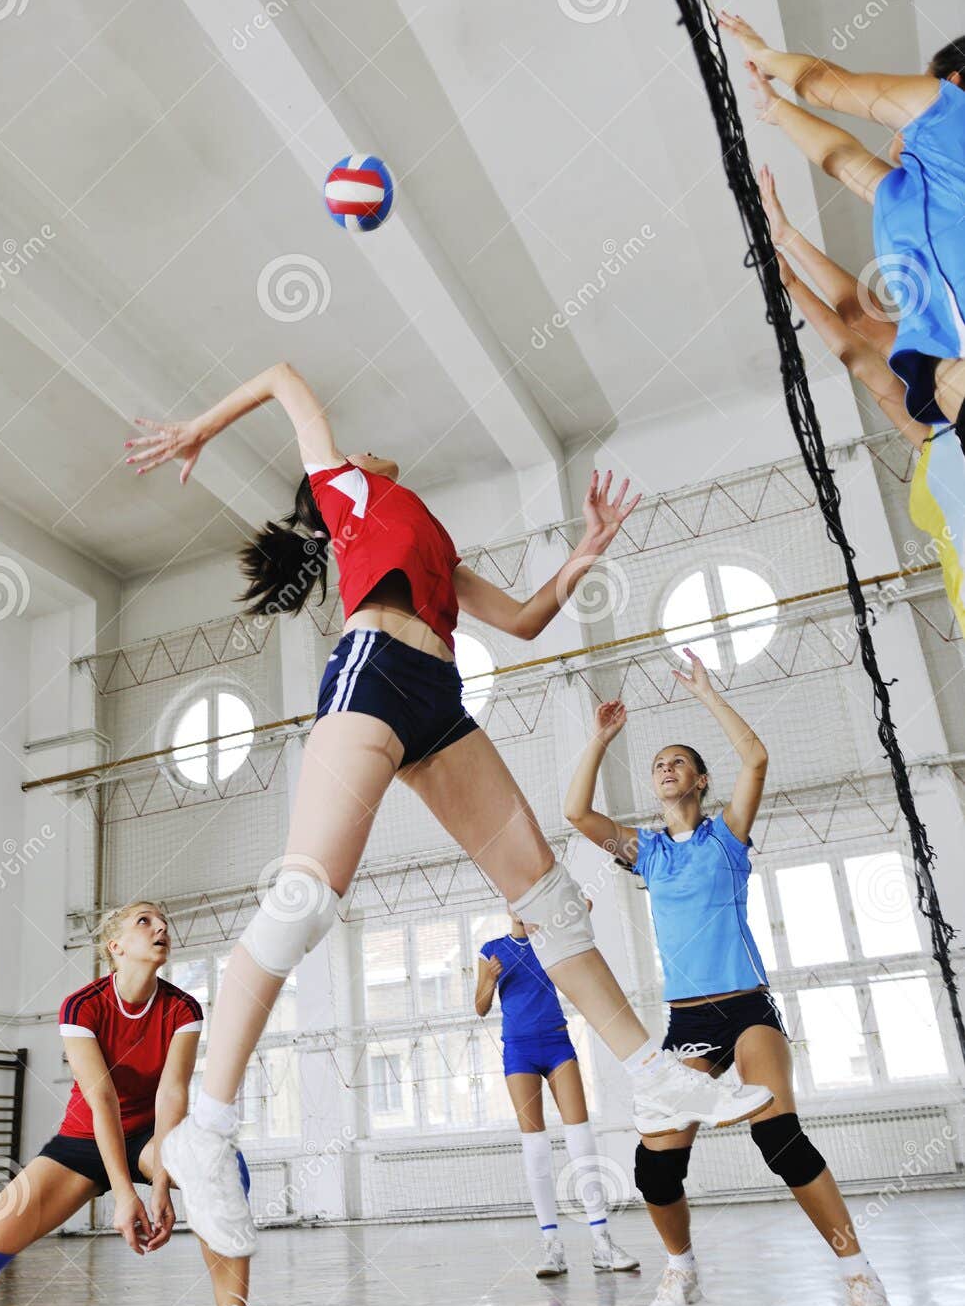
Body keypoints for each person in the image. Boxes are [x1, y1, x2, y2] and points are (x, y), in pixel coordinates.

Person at [123, 361, 774, 1256]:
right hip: (371, 675)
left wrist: (583, 553)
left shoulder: (430, 535)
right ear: (338, 477)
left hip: (438, 696)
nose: (370, 447)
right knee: (307, 897)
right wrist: (200, 426)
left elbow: (525, 619)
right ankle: (207, 1129)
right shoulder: (345, 488)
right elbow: (282, 376)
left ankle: (650, 1076)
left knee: (545, 896)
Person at [564, 658, 893, 1306]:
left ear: (700, 780)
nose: (665, 766)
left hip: (747, 1008)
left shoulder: (726, 838)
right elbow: (575, 813)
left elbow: (756, 757)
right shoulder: (648, 853)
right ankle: (681, 1268)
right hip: (688, 1022)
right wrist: (599, 739)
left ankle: (859, 1277)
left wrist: (707, 693)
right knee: (654, 1165)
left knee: (777, 1135)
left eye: (678, 760)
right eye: (657, 762)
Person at [0, 904, 276, 1306]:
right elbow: (101, 1097)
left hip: (153, 1137)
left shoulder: (183, 1009)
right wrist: (125, 1195)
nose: (160, 929)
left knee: (222, 1168)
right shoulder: (81, 1005)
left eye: (163, 923)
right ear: (116, 946)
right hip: (83, 1139)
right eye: (145, 922)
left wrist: (160, 1188)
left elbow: (172, 1092)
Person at [722, 13, 965, 450]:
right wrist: (778, 109)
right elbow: (839, 156)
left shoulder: (947, 107)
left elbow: (822, 84)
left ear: (955, 79)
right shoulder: (907, 194)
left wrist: (764, 54)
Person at [758, 163, 964, 635]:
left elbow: (857, 344)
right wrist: (787, 271)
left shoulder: (938, 435)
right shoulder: (936, 438)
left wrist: (788, 260)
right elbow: (858, 339)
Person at [476, 908, 639, 1278]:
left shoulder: (550, 943)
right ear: (507, 908)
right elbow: (480, 1006)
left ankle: (601, 1242)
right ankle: (552, 1247)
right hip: (519, 1051)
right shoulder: (493, 949)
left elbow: (579, 932)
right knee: (535, 1146)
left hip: (557, 1045)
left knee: (581, 1139)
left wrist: (577, 910)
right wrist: (491, 979)